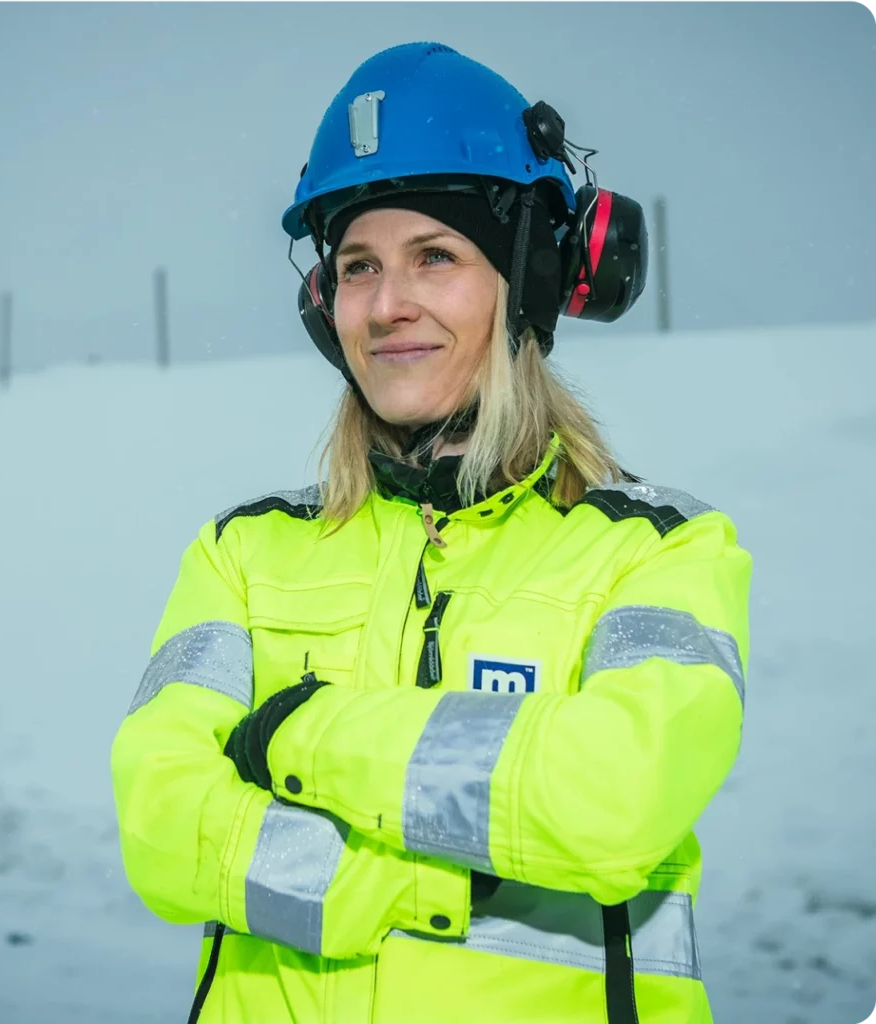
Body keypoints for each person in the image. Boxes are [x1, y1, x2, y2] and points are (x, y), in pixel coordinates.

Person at [111, 41, 751, 1024]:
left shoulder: (656, 550)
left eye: (436, 257)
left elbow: (612, 804)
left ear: (530, 280)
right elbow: (161, 828)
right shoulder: (244, 554)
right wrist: (414, 888)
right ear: (324, 305)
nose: (387, 304)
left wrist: (295, 727)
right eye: (358, 265)